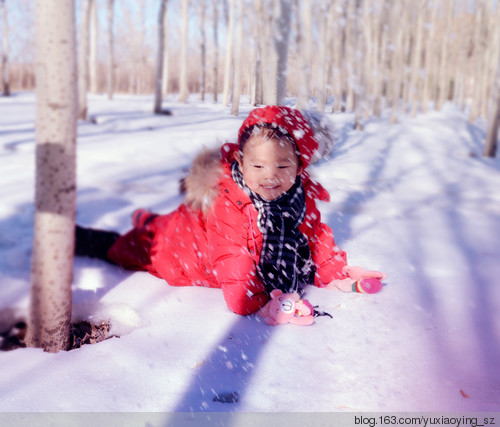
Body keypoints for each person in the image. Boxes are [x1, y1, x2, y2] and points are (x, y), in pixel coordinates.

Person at [75, 106, 385, 316]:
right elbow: (237, 281)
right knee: (134, 246)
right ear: (240, 162)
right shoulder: (231, 204)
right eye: (258, 165)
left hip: (193, 233)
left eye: (283, 165)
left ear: (300, 166)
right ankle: (78, 238)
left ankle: (147, 221)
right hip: (181, 252)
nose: (270, 176)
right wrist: (269, 302)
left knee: (155, 227)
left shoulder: (298, 197)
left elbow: (315, 239)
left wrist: (336, 273)